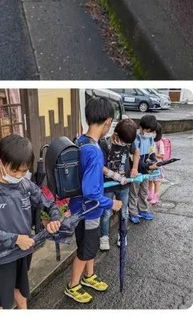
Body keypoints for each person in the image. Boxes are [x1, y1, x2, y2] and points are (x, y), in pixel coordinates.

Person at [0, 135, 61, 310]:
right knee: (1, 303)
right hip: (0, 258)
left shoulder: (25, 186)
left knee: (21, 292)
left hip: (23, 252)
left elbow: (49, 203)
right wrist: (15, 239)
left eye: (24, 171)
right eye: (15, 171)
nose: (19, 176)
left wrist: (54, 219)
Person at [65, 97, 122, 303]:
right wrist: (111, 203)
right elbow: (91, 192)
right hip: (90, 209)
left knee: (88, 245)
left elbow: (90, 171)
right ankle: (73, 286)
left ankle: (88, 276)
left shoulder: (81, 140)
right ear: (107, 122)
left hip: (78, 207)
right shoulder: (95, 150)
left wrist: (113, 175)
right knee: (86, 249)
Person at [99, 117, 138, 251]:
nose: (124, 144)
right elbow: (101, 167)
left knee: (124, 211)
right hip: (108, 185)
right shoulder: (105, 143)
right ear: (116, 134)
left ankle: (122, 235)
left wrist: (135, 168)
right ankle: (104, 236)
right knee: (106, 212)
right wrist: (117, 177)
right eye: (123, 141)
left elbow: (136, 152)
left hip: (124, 186)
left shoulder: (128, 142)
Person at [128, 114, 159, 225]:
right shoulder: (135, 137)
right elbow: (134, 157)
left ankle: (143, 210)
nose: (148, 132)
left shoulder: (150, 137)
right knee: (134, 192)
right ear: (141, 126)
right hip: (136, 168)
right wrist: (147, 166)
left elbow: (152, 152)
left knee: (144, 191)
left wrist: (154, 160)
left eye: (150, 130)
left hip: (146, 170)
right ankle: (132, 212)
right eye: (146, 129)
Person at [148, 122, 165, 205]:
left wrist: (154, 154)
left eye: (154, 132)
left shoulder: (159, 142)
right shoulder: (149, 140)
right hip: (150, 164)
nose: (152, 134)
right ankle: (150, 194)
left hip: (157, 165)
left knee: (156, 181)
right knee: (149, 180)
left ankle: (156, 196)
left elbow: (162, 155)